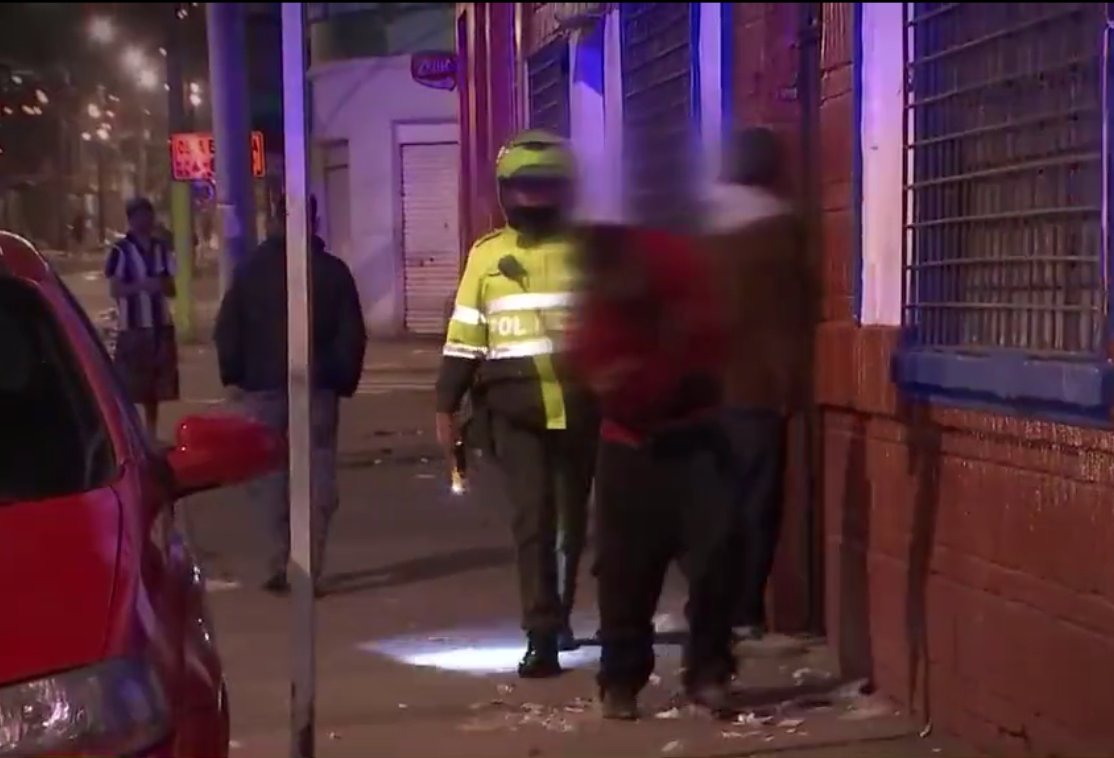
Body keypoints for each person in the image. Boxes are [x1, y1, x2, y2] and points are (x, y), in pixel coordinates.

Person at [434, 129, 597, 679]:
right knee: (532, 520)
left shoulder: (587, 251)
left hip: (581, 406)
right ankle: (541, 633)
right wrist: (444, 405)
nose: (534, 200)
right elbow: (465, 337)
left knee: (570, 521)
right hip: (514, 411)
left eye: (545, 189)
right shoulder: (487, 258)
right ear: (505, 192)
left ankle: (563, 612)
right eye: (523, 189)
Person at [567, 224, 735, 720]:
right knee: (624, 571)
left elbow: (714, 341)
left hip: (694, 437)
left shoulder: (679, 271)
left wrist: (677, 365)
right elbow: (590, 364)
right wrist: (611, 382)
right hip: (629, 446)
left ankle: (709, 671)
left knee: (716, 558)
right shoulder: (600, 307)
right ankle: (621, 679)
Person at [214, 201, 366, 595]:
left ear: (275, 219)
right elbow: (352, 335)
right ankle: (308, 565)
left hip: (262, 387)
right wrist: (338, 378)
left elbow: (228, 326)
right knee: (315, 474)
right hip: (317, 388)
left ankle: (279, 558)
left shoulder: (250, 271)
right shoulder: (332, 273)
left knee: (268, 477)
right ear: (313, 220)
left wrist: (233, 373)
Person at [704, 126, 815, 641]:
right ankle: (745, 608)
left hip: (697, 391)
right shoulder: (781, 229)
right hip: (755, 390)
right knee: (755, 502)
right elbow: (790, 314)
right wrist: (791, 385)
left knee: (706, 501)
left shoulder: (693, 224)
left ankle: (710, 604)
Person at [104, 197, 180, 434]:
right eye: (139, 216)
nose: (144, 221)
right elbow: (115, 290)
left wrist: (162, 285)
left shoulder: (161, 248)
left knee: (155, 388)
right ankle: (129, 434)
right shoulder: (120, 251)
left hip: (160, 326)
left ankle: (151, 432)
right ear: (131, 220)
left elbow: (172, 289)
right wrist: (141, 287)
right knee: (128, 385)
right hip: (133, 327)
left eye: (148, 215)